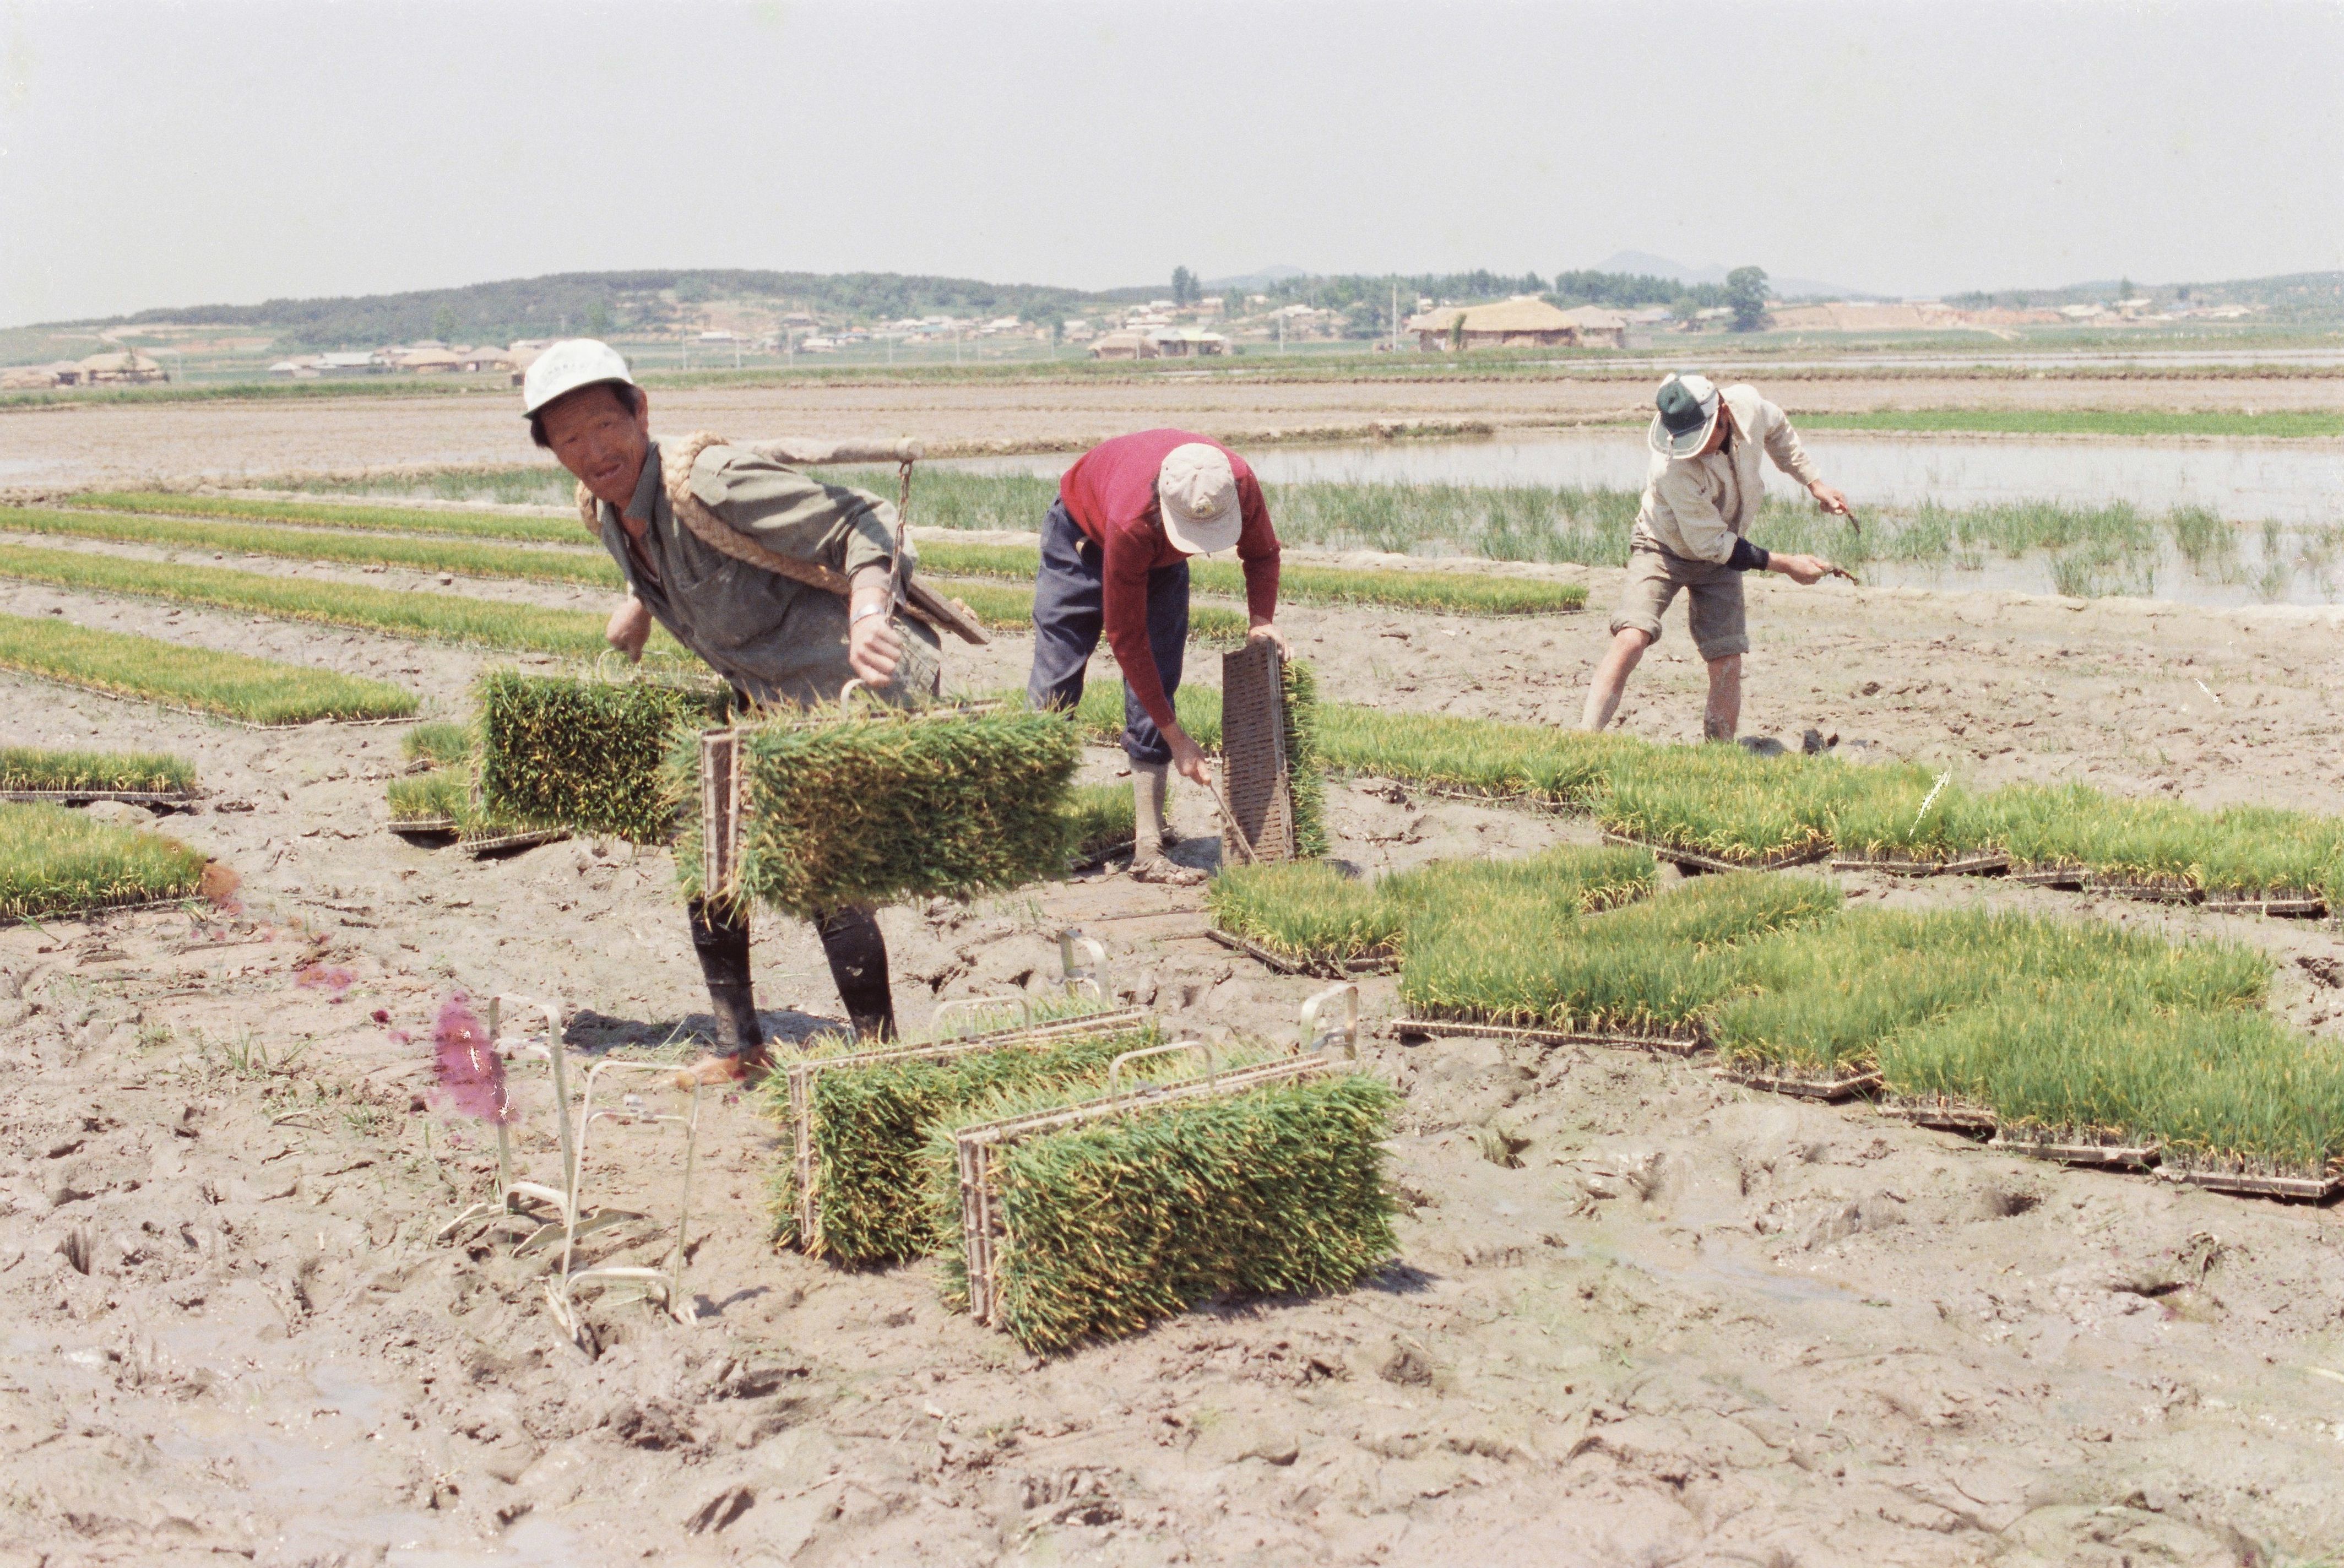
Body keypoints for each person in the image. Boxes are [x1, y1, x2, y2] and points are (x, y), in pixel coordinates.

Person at [522, 338, 941, 1082]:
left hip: (859, 678)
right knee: (707, 843)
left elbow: (869, 520)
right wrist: (638, 605)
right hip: (767, 692)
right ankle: (739, 1044)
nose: (593, 448)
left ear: (641, 410)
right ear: (553, 451)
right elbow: (690, 567)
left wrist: (872, 610)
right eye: (569, 437)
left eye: (603, 425)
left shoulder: (707, 480)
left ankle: (882, 1057)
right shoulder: (606, 510)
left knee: (819, 867)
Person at [1026, 430, 1285, 884]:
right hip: (1081, 539)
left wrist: (1261, 619)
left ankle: (1149, 845)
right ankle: (1030, 837)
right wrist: (1177, 737)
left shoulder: (1238, 481)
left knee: (1162, 673)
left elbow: (1263, 553)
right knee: (1057, 681)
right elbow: (1126, 639)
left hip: (1159, 555)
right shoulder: (1134, 519)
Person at [1579, 373, 1852, 741]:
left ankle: (1718, 754)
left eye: (1701, 438)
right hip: (1662, 547)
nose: (1695, 448)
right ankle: (1584, 737)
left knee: (1726, 658)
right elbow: (1715, 545)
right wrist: (1788, 565)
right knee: (1632, 634)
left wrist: (1814, 482)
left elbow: (1778, 430)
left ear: (1723, 412)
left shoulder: (1749, 405)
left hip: (1723, 551)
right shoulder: (1671, 467)